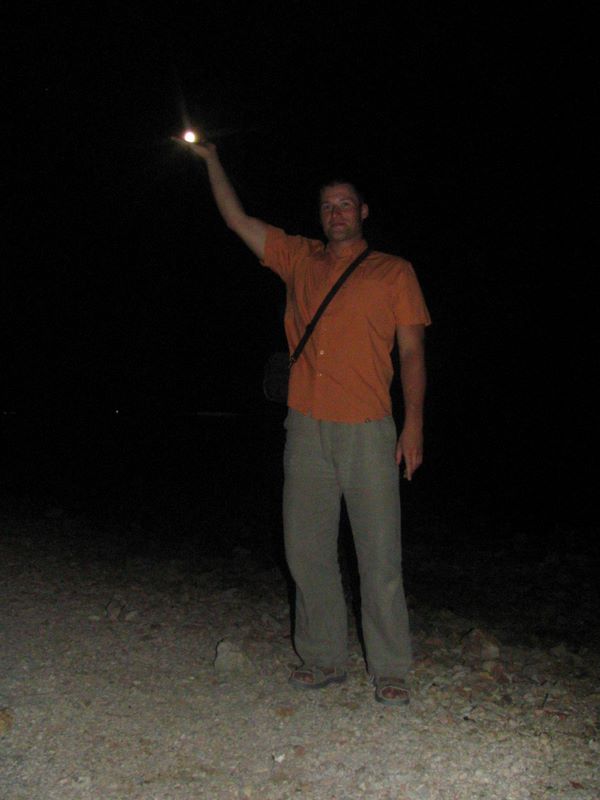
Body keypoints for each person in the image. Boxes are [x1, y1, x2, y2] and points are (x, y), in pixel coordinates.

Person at [181, 138, 431, 705]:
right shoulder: (298, 258)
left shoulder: (394, 272)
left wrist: (413, 424)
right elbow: (237, 220)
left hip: (368, 427)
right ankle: (323, 657)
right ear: (320, 216)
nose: (336, 213)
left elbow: (412, 353)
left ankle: (390, 667)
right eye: (327, 206)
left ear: (363, 211)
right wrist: (212, 159)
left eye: (345, 204)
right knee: (306, 549)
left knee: (379, 556)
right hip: (306, 427)